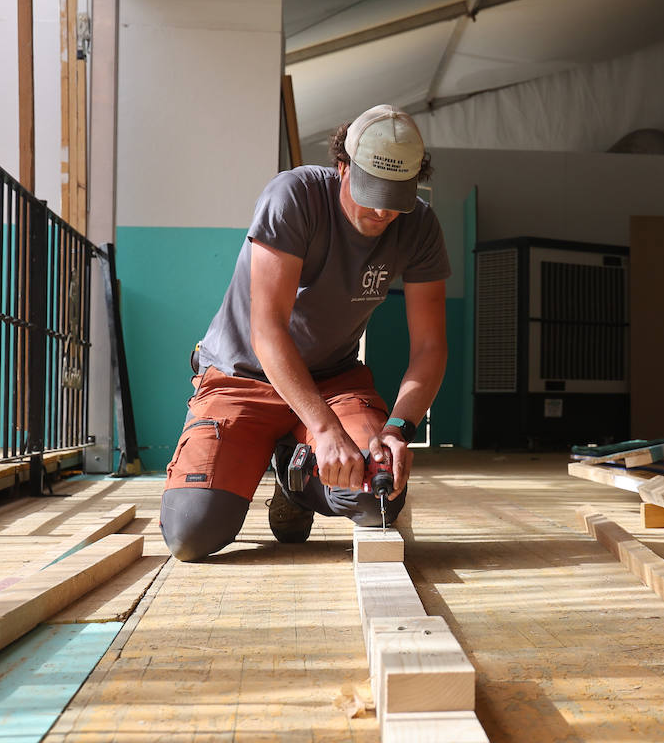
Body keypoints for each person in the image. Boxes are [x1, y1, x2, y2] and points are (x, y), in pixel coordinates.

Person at [159, 104, 450, 561]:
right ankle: (279, 448)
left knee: (378, 498)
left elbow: (431, 347)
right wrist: (324, 428)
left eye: (394, 198)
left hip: (333, 379)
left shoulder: (420, 225)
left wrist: (398, 428)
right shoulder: (294, 196)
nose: (381, 210)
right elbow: (267, 329)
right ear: (342, 167)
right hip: (244, 376)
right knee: (191, 534)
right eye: (370, 190)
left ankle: (293, 480)